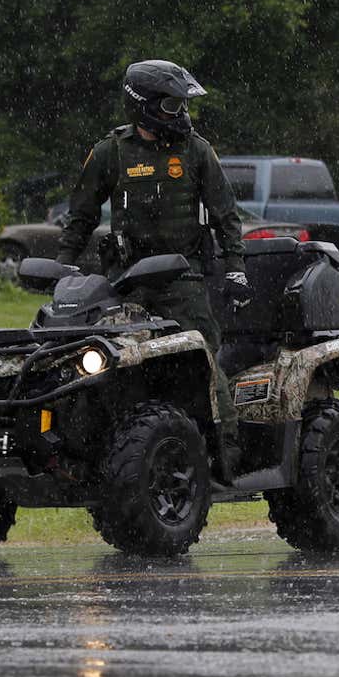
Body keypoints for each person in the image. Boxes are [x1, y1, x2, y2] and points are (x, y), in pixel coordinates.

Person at [56, 59, 250, 479]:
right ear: (141, 106)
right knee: (102, 366)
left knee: (205, 360)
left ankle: (226, 457)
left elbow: (226, 214)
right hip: (125, 284)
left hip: (185, 279)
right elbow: (81, 216)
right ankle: (104, 457)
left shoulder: (196, 150)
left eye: (181, 106)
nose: (179, 115)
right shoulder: (110, 153)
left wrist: (235, 267)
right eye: (169, 107)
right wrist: (63, 268)